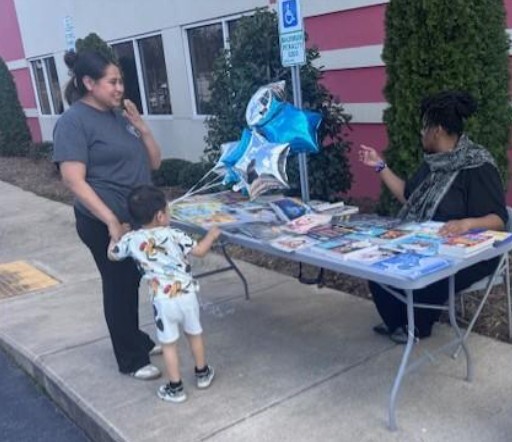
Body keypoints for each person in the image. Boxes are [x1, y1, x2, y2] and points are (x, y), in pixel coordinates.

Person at [358, 91, 508, 343]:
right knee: (376, 264)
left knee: (423, 274)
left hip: (469, 254)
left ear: (436, 130)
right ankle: (399, 322)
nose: (421, 133)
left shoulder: (477, 166)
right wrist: (379, 166)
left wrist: (467, 223)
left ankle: (418, 326)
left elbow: (499, 219)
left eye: (423, 128)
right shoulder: (433, 163)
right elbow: (409, 196)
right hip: (426, 240)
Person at [52, 50, 163, 379]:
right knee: (118, 283)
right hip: (103, 222)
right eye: (112, 82)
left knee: (133, 279)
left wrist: (142, 128)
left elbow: (154, 163)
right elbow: (73, 179)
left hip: (136, 218)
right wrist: (111, 221)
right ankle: (131, 358)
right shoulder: (73, 122)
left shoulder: (119, 116)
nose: (119, 88)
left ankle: (137, 338)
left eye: (120, 81)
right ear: (89, 83)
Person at [108, 185, 221, 403]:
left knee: (169, 344)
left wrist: (114, 236)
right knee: (194, 334)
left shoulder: (131, 240)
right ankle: (202, 373)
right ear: (160, 216)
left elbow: (113, 255)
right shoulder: (175, 234)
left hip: (162, 301)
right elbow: (199, 251)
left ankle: (175, 387)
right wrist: (211, 235)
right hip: (187, 296)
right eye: (168, 211)